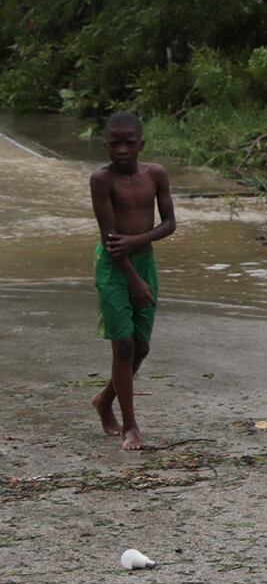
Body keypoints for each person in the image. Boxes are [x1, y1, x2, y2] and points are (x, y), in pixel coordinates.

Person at [89, 111, 177, 450]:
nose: (122, 150)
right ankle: (130, 427)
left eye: (129, 143)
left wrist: (138, 243)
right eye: (114, 144)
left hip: (144, 261)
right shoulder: (102, 180)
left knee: (141, 347)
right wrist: (133, 280)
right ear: (106, 145)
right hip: (114, 266)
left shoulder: (155, 175)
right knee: (123, 344)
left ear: (141, 144)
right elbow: (112, 241)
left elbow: (169, 224)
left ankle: (104, 399)